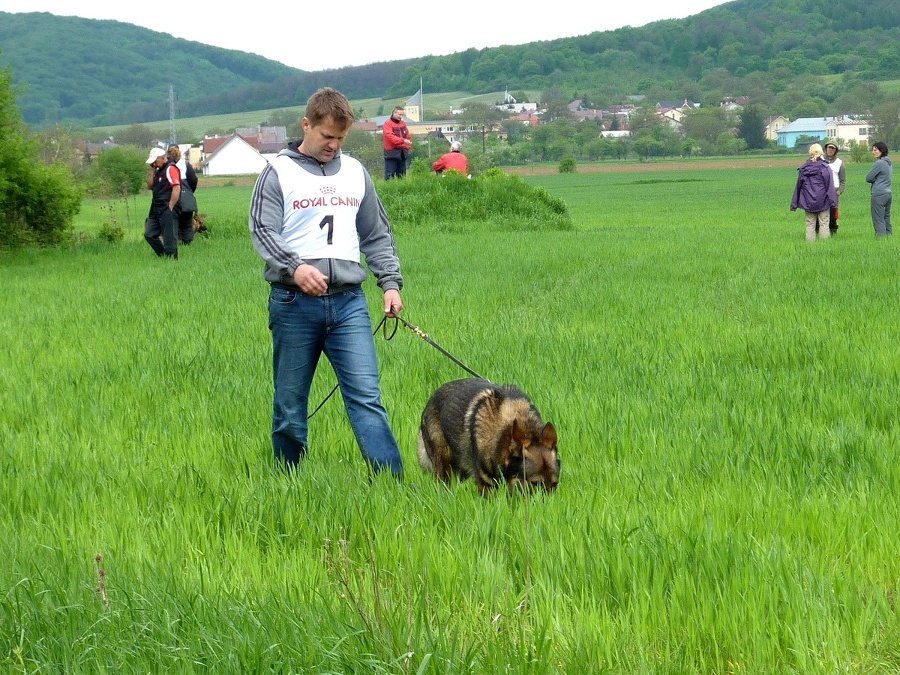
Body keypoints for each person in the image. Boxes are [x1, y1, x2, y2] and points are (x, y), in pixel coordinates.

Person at [249, 87, 405, 477]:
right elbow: (262, 230)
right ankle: (289, 480)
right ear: (307, 125)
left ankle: (392, 485)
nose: (333, 145)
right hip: (293, 304)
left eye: (340, 138)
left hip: (349, 303)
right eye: (326, 137)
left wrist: (390, 283)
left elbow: (376, 235)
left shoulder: (356, 173)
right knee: (289, 402)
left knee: (366, 398)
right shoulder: (277, 173)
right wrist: (295, 267)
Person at [790, 143, 837, 242]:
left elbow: (798, 187)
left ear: (810, 153)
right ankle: (825, 246)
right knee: (824, 223)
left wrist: (794, 204)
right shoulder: (825, 167)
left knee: (810, 224)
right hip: (823, 201)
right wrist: (834, 203)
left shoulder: (804, 168)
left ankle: (810, 246)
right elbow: (830, 187)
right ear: (821, 153)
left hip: (808, 202)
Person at [144, 147, 181, 258]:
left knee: (169, 238)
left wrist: (171, 206)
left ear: (162, 158)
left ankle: (172, 261)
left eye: (155, 161)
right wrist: (152, 170)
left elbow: (177, 188)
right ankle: (164, 256)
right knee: (149, 234)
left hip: (168, 207)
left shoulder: (171, 168)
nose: (154, 164)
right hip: (156, 207)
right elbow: (150, 186)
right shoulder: (158, 170)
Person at [167, 144, 199, 244]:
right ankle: (188, 245)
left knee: (173, 224)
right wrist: (189, 192)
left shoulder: (167, 166)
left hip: (171, 198)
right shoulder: (185, 164)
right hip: (186, 198)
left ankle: (175, 245)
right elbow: (193, 180)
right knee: (187, 225)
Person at [866, 141, 893, 237]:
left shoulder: (879, 163)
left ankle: (881, 238)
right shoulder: (889, 163)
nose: (873, 152)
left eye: (875, 150)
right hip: (888, 193)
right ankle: (889, 237)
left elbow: (868, 178)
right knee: (886, 217)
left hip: (878, 194)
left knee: (878, 218)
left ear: (881, 151)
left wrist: (875, 179)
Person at [382, 106, 412, 179]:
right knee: (390, 175)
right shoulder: (387, 124)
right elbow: (390, 137)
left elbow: (407, 136)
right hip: (391, 153)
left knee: (402, 175)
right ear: (394, 113)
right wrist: (403, 141)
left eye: (402, 115)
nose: (401, 117)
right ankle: (389, 190)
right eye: (399, 114)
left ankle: (401, 189)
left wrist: (407, 147)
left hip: (402, 153)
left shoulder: (403, 124)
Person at [823, 141, 846, 236]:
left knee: (833, 214)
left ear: (836, 150)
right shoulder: (820, 160)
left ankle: (833, 233)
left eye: (833, 148)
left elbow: (843, 181)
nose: (830, 150)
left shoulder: (839, 163)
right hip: (822, 191)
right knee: (821, 213)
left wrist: (838, 192)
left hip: (834, 191)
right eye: (829, 147)